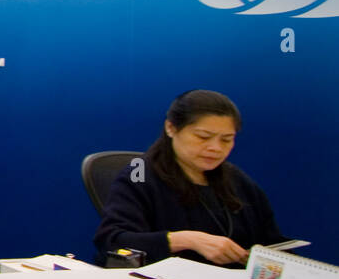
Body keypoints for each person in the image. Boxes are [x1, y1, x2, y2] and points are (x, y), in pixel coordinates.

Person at [94, 89, 284, 267]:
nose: (216, 148)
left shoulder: (236, 180)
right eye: (203, 137)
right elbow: (112, 242)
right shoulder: (139, 174)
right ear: (171, 128)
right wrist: (186, 240)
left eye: (226, 139)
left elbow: (272, 243)